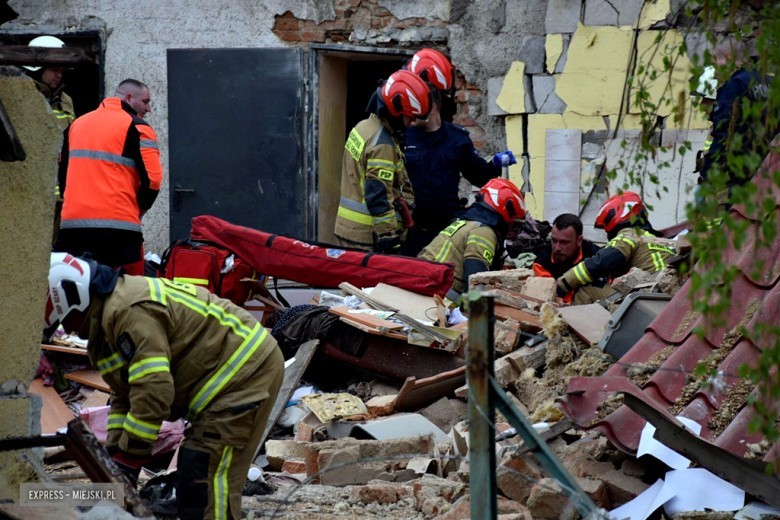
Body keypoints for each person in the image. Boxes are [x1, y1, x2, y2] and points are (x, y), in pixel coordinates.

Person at [44, 252, 284, 520]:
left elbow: (153, 391)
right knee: (194, 473)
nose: (69, 329)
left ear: (73, 299)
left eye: (66, 320)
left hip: (245, 370)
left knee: (205, 475)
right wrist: (115, 456)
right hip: (226, 375)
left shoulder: (127, 311)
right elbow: (125, 396)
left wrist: (130, 459)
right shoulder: (103, 330)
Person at [400, 48, 516, 256]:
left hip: (445, 233)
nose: (409, 111)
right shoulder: (402, 136)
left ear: (432, 104)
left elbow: (481, 178)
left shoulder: (456, 139)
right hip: (408, 232)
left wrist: (496, 164)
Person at [54, 78, 163, 275]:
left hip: (72, 227)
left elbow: (63, 175)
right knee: (125, 294)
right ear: (129, 98)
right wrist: (140, 210)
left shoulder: (76, 125)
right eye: (146, 102)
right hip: (118, 229)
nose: (148, 109)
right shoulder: (138, 127)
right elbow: (153, 180)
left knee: (77, 292)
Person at [334, 70, 431, 252]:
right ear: (395, 112)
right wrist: (389, 237)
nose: (411, 122)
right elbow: (378, 193)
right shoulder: (382, 145)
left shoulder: (364, 127)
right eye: (409, 116)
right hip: (367, 235)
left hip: (347, 228)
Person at [556, 192, 675, 305]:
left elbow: (600, 263)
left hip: (644, 298)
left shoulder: (629, 235)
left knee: (586, 290)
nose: (607, 233)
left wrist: (563, 284)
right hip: (665, 299)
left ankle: (569, 326)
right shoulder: (660, 242)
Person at [418, 178, 526, 299]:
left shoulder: (467, 222)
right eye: (514, 224)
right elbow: (476, 281)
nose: (513, 230)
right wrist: (481, 317)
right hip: (440, 291)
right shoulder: (484, 232)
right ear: (505, 211)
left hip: (426, 282)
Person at [697, 36, 773, 201]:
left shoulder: (734, 86)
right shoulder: (769, 82)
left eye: (714, 61)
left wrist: (708, 175)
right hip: (769, 170)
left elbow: (724, 133)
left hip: (740, 174)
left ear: (728, 58)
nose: (714, 68)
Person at [532, 213, 602, 303]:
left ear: (579, 240)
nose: (557, 248)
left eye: (564, 242)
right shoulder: (542, 263)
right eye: (554, 240)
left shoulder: (597, 256)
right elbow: (547, 298)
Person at [23, 35, 75, 130]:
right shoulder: (20, 95)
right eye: (55, 69)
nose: (59, 75)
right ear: (38, 69)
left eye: (62, 70)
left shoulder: (66, 100)